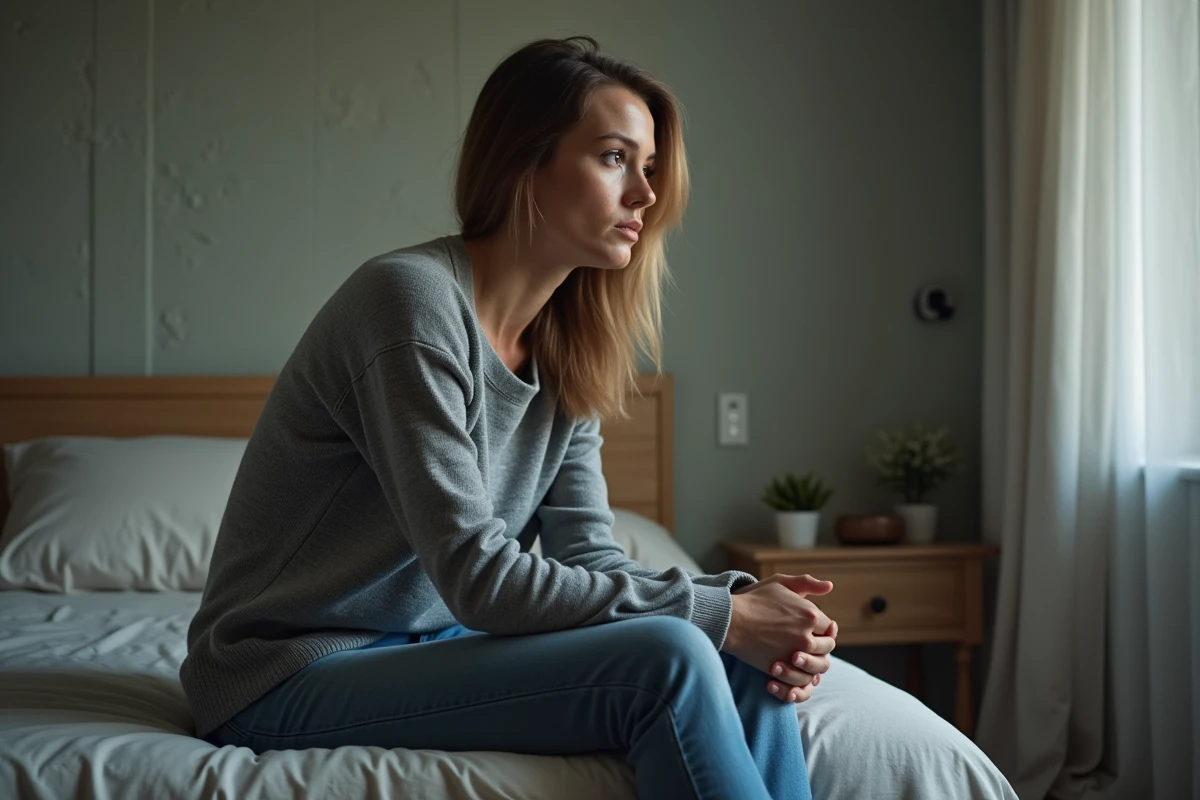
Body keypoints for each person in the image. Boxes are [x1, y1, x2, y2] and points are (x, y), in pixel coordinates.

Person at [180, 36, 839, 800]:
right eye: (615, 158)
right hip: (286, 669)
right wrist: (717, 613)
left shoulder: (568, 342)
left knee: (730, 651)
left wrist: (741, 606)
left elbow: (588, 556)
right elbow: (480, 579)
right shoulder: (409, 304)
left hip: (431, 644)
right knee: (673, 655)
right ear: (527, 161)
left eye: (650, 169)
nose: (646, 198)